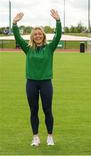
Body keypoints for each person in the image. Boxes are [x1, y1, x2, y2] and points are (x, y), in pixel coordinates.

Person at [12, 9, 62, 146]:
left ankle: (50, 136)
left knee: (47, 110)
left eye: (40, 34)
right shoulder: (28, 49)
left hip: (46, 83)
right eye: (36, 34)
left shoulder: (50, 48)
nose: (38, 36)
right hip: (31, 83)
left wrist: (58, 21)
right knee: (33, 110)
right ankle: (35, 137)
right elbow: (17, 37)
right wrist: (14, 24)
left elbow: (58, 36)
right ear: (32, 37)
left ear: (43, 36)